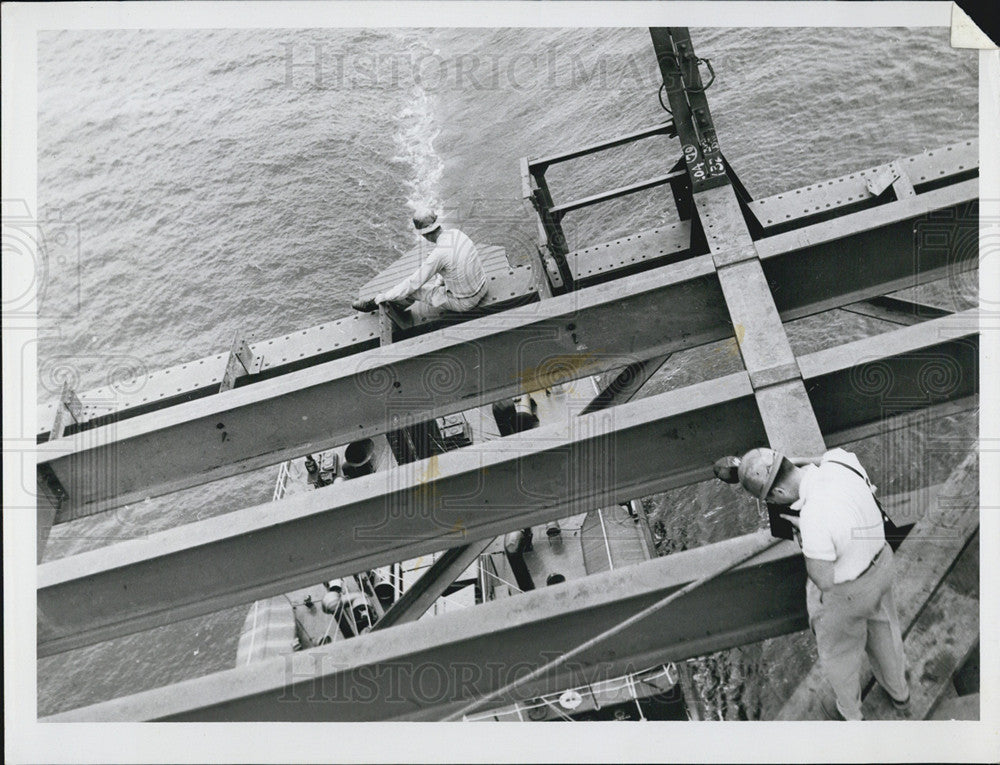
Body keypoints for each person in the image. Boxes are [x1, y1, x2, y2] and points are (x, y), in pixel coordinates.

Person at [735, 446, 910, 721]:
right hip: (883, 563)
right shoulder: (841, 461)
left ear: (777, 494)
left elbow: (824, 580)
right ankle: (899, 692)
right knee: (885, 629)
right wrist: (781, 464)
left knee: (840, 656)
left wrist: (804, 536)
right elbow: (818, 460)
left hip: (848, 593)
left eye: (772, 498)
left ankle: (851, 712)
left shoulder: (813, 518)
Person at [352, 208, 488, 314]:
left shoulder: (438, 254)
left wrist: (384, 296)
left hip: (467, 302)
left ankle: (382, 305)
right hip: (483, 286)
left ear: (424, 235)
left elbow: (413, 283)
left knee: (413, 292)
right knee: (444, 265)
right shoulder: (457, 233)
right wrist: (439, 281)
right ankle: (389, 302)